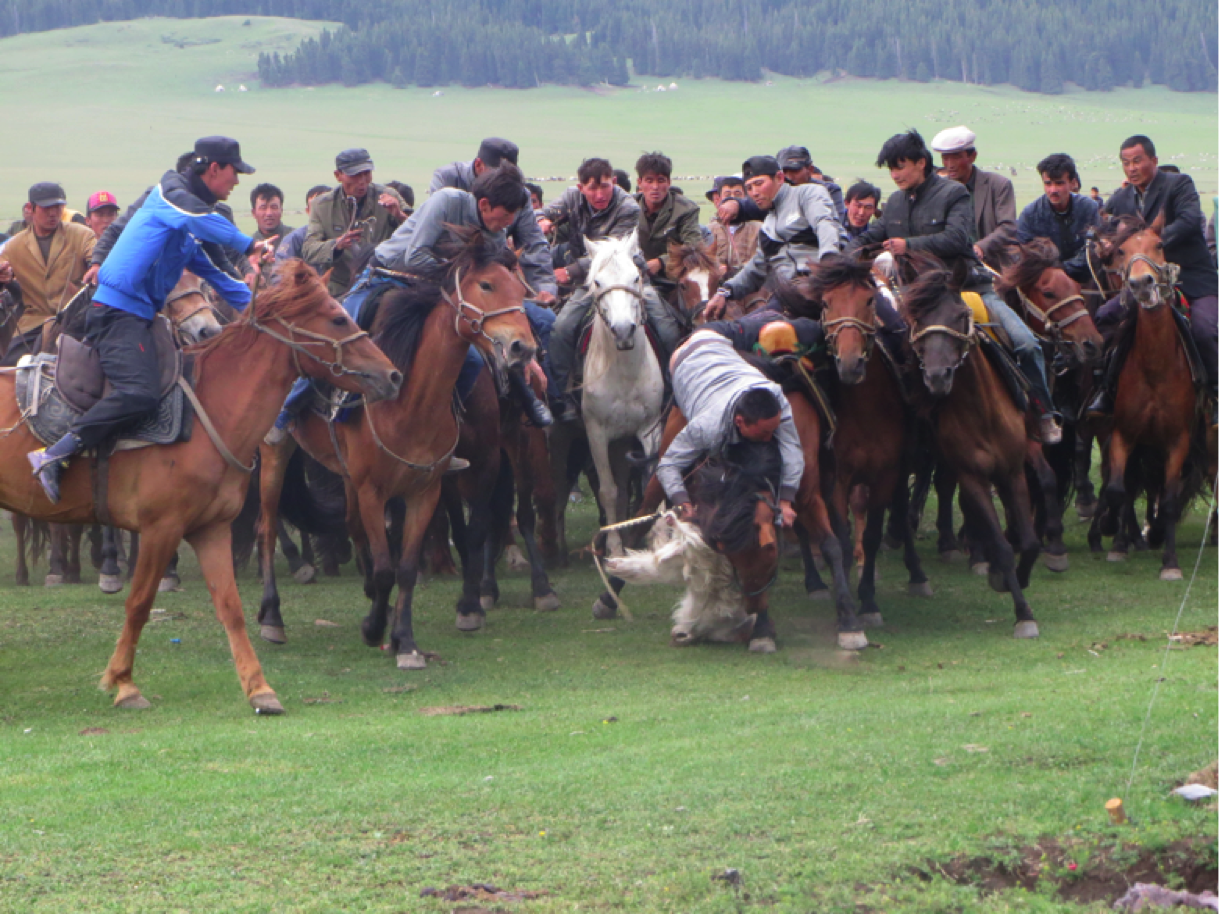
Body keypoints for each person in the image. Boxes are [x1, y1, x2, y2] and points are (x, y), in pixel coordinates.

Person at [28, 137, 275, 502]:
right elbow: (201, 219)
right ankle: (55, 454)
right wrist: (249, 244)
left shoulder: (185, 228)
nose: (237, 182)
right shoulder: (169, 195)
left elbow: (224, 280)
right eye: (234, 173)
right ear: (214, 169)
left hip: (140, 317)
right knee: (138, 392)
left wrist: (270, 309)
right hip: (115, 314)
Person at [270, 163, 552, 442]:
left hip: (435, 292)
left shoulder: (496, 233)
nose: (510, 221)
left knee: (474, 359)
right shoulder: (447, 201)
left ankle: (450, 429)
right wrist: (459, 281)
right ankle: (289, 409)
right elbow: (416, 256)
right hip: (387, 276)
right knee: (342, 332)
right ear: (486, 204)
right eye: (508, 213)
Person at [847, 129, 1062, 443]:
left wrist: (908, 245)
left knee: (1026, 343)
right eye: (890, 168)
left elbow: (957, 239)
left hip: (967, 289)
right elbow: (869, 238)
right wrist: (839, 258)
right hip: (916, 299)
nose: (895, 174)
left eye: (900, 165)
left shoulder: (953, 194)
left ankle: (1043, 413)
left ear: (921, 163)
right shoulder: (893, 203)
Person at [1088, 135, 1219, 426]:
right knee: (1105, 317)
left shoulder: (1178, 184)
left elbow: (1188, 220)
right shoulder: (1121, 198)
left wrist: (1150, 242)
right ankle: (1107, 390)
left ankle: (1216, 394)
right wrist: (1104, 245)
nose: (1131, 168)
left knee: (1205, 328)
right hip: (1144, 285)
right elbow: (1106, 229)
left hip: (1191, 277)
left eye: (1137, 161)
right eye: (1125, 163)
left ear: (1153, 161)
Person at [542, 158, 681, 421]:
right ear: (580, 187)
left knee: (667, 329)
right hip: (593, 282)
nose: (599, 194)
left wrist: (569, 270)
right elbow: (547, 212)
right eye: (591, 188)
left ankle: (670, 392)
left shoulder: (627, 206)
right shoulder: (571, 197)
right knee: (561, 328)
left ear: (614, 182)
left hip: (629, 277)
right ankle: (561, 396)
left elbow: (612, 251)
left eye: (604, 186)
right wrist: (543, 220)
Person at [658, 328, 802, 528]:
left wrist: (786, 500)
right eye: (763, 433)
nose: (770, 439)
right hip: (682, 358)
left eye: (772, 431)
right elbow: (668, 465)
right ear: (740, 422)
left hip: (721, 342)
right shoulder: (706, 427)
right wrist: (682, 503)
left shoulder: (776, 396)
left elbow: (792, 447)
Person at [704, 155, 845, 320]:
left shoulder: (808, 194)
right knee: (735, 330)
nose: (754, 193)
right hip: (789, 297)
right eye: (749, 188)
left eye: (759, 184)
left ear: (779, 178)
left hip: (822, 286)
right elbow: (756, 268)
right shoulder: (768, 226)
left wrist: (828, 264)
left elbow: (824, 224)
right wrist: (724, 292)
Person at [429, 137, 556, 304]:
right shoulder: (447, 181)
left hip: (495, 279)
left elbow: (533, 243)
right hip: (446, 276)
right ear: (478, 165)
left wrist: (544, 288)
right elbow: (438, 234)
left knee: (546, 323)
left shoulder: (519, 194)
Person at [0, 182, 96, 360]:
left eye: (58, 207)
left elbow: (96, 256)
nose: (53, 213)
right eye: (47, 208)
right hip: (33, 323)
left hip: (75, 321)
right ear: (31, 208)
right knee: (11, 370)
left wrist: (96, 266)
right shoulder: (14, 246)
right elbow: (2, 269)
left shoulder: (82, 235)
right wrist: (4, 276)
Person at [302, 148, 407, 296]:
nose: (362, 181)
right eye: (356, 175)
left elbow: (417, 232)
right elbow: (308, 249)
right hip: (340, 288)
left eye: (367, 174)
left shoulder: (389, 196)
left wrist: (399, 215)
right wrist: (336, 245)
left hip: (383, 282)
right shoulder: (321, 205)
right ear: (338, 175)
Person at [931, 126, 1018, 263]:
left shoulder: (999, 185)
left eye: (956, 157)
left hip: (993, 264)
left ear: (973, 156)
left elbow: (1008, 227)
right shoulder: (939, 191)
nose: (950, 165)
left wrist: (981, 247)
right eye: (945, 158)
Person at [1016, 153, 1100, 284]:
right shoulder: (1030, 214)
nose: (1053, 190)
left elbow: (1094, 249)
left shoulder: (1089, 208)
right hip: (1045, 284)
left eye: (1059, 183)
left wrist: (1063, 269)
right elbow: (1023, 254)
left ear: (1073, 183)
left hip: (1086, 281)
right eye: (1048, 184)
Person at [633, 151, 704, 287]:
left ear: (669, 182)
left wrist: (661, 262)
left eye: (661, 180)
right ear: (639, 183)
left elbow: (693, 246)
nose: (655, 187)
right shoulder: (628, 208)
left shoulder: (686, 209)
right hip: (633, 279)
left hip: (673, 280)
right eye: (649, 180)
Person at [708, 176, 761, 278]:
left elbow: (761, 259)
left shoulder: (758, 228)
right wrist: (717, 267)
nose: (732, 198)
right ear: (719, 199)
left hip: (749, 282)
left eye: (737, 194)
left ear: (745, 197)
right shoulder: (710, 229)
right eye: (727, 194)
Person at [776, 145, 846, 222]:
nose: (789, 177)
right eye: (784, 172)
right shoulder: (773, 195)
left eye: (795, 171)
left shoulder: (829, 191)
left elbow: (835, 225)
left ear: (810, 169)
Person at [275, 185, 330, 265]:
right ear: (308, 211)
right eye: (315, 209)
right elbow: (279, 272)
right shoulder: (295, 239)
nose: (321, 213)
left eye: (325, 207)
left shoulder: (348, 237)